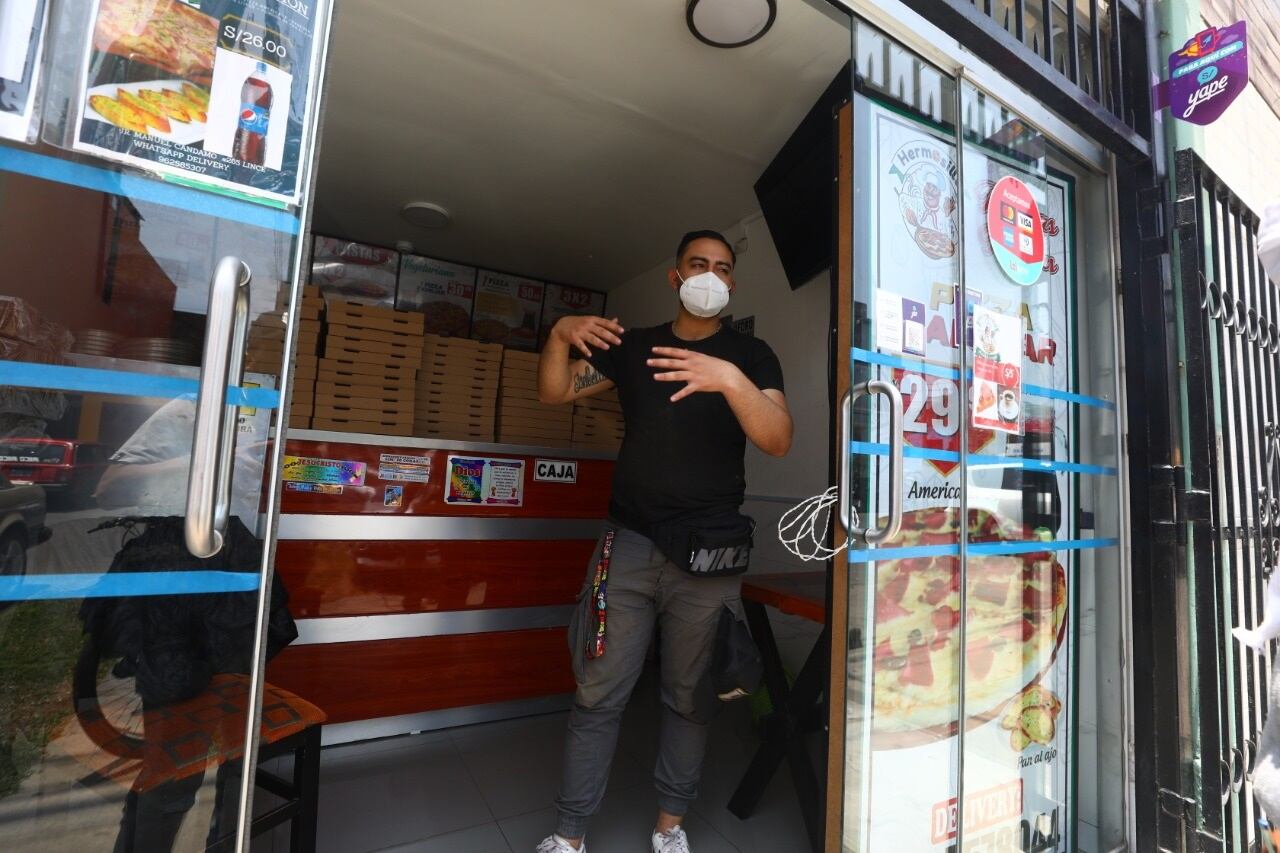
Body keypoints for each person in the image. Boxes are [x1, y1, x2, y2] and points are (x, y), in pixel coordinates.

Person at [535, 230, 792, 853]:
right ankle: (568, 836)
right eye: (698, 265)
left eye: (723, 268)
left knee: (689, 696)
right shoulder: (637, 346)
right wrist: (559, 335)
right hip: (628, 541)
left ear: (732, 284)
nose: (710, 275)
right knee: (598, 692)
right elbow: (556, 391)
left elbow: (778, 437)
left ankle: (669, 828)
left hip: (708, 556)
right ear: (675, 277)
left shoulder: (752, 358)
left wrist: (729, 380)